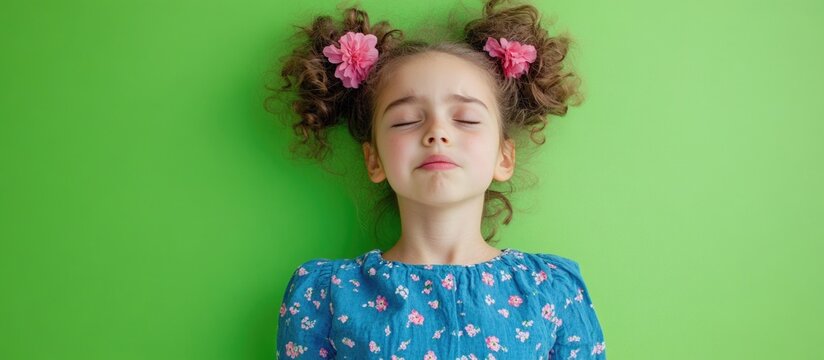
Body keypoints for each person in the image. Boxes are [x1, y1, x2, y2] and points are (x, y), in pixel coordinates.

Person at [266, 0, 606, 358]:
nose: (437, 133)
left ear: (504, 157)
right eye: (406, 120)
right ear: (374, 159)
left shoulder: (551, 288)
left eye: (466, 119)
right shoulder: (327, 296)